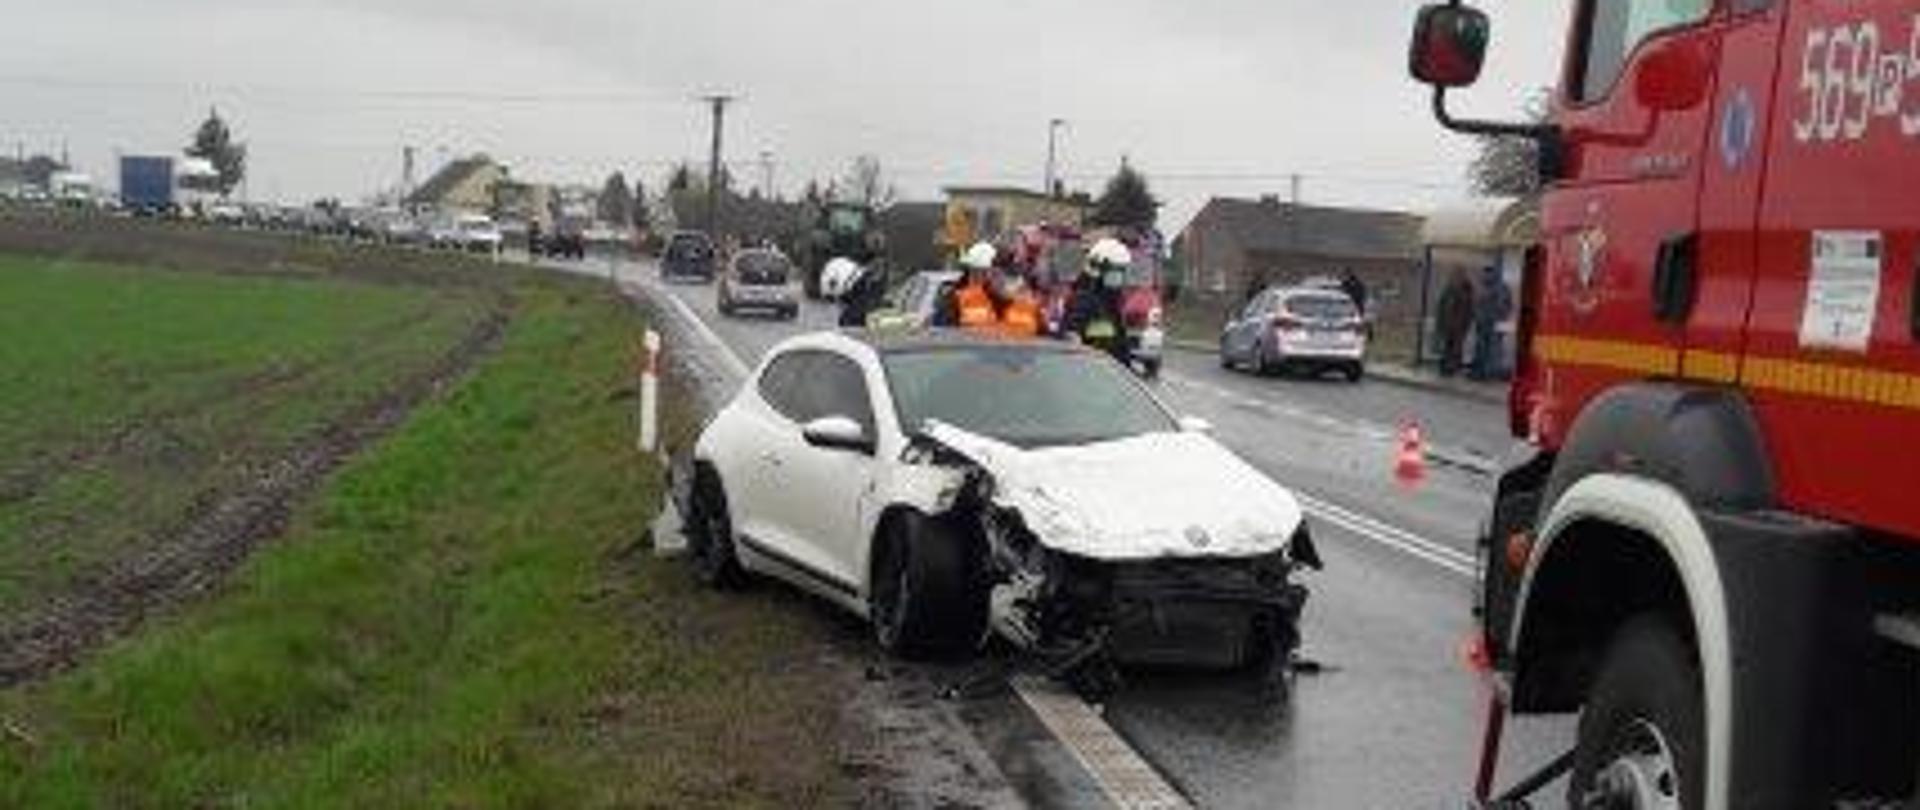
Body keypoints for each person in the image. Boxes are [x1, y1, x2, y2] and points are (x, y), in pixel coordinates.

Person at [1062, 237, 1133, 365]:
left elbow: (1119, 345)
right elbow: (1071, 341)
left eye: (1122, 271)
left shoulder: (1110, 303)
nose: (1119, 277)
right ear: (1097, 269)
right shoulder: (1083, 301)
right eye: (1116, 271)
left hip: (1109, 371)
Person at [936, 241, 1001, 329]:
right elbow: (941, 329)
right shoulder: (954, 295)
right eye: (992, 271)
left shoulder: (996, 296)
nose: (995, 275)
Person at [1470, 264, 1514, 380]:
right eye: (1484, 274)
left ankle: (1487, 372)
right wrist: (1477, 316)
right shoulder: (1482, 287)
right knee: (1481, 348)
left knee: (1492, 349)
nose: (1485, 276)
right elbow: (1476, 304)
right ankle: (1480, 371)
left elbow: (1506, 306)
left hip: (1493, 324)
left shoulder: (1501, 288)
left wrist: (1501, 318)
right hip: (1483, 323)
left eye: (1487, 274)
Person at [1435, 269, 1475, 377]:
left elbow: (1469, 309)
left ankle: (1452, 367)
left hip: (1459, 325)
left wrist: (1467, 323)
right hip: (1450, 324)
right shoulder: (1449, 290)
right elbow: (1442, 307)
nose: (1457, 278)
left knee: (1455, 347)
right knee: (1448, 346)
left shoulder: (1467, 290)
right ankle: (1447, 367)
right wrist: (1440, 323)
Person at [837, 262, 887, 328]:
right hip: (857, 311)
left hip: (864, 312)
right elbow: (854, 291)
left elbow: (878, 297)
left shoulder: (879, 285)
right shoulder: (863, 279)